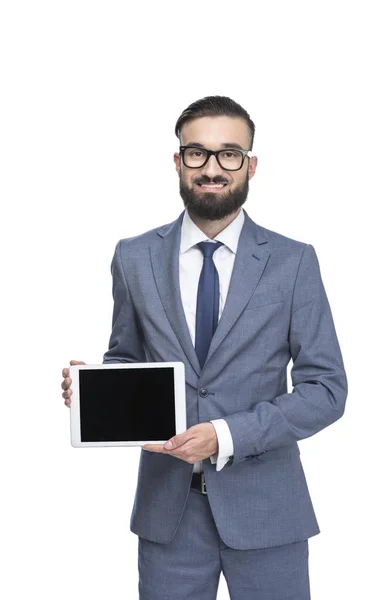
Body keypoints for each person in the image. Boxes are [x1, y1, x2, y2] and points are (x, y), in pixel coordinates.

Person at [61, 95, 348, 600]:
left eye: (229, 154)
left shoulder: (293, 262)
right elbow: (128, 359)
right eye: (197, 153)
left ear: (250, 165)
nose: (212, 167)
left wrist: (226, 434)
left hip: (268, 514)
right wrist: (98, 391)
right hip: (169, 518)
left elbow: (326, 389)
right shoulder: (135, 257)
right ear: (178, 161)